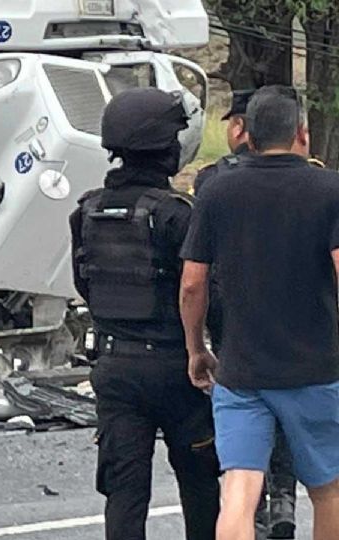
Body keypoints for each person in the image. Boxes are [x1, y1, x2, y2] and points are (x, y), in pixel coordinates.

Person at [181, 85, 339, 540]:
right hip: (315, 368)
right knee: (327, 490)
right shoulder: (329, 190)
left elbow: (192, 284)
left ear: (245, 134)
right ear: (302, 134)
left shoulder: (216, 190)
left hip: (240, 370)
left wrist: (197, 348)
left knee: (239, 489)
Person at [70, 87, 220, 540]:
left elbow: (85, 282)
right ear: (165, 149)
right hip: (177, 366)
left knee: (125, 492)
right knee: (199, 482)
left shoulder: (87, 211)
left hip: (114, 366)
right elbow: (202, 289)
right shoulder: (177, 214)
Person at [195, 89, 299, 540]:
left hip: (231, 318)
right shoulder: (314, 179)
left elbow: (194, 274)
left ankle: (252, 505)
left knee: (246, 424)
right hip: (299, 317)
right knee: (295, 411)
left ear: (242, 128)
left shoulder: (211, 181)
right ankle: (284, 495)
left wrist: (194, 342)